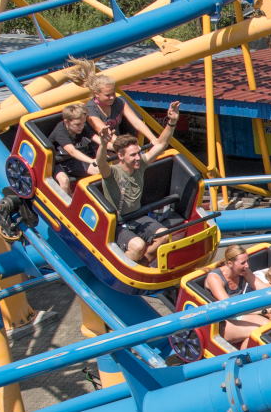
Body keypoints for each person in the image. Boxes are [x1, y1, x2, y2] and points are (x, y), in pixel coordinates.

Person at [94, 100, 181, 265]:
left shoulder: (140, 165)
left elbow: (162, 144)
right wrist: (104, 144)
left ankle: (142, 264)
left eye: (138, 153)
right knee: (138, 246)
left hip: (136, 216)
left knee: (164, 236)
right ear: (121, 156)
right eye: (133, 155)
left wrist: (172, 122)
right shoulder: (112, 172)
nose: (137, 157)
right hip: (116, 223)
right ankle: (123, 270)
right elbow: (101, 162)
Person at [68, 57, 160, 145]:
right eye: (107, 95)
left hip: (118, 144)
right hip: (100, 146)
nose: (112, 97)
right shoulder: (90, 109)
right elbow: (106, 133)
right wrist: (126, 147)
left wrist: (153, 138)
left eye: (113, 93)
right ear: (96, 94)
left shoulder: (118, 102)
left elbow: (136, 121)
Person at [204, 245, 271, 346]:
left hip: (240, 314)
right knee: (259, 331)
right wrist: (261, 310)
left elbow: (263, 290)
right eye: (243, 263)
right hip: (221, 322)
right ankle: (243, 355)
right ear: (230, 264)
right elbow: (229, 307)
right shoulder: (214, 278)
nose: (247, 265)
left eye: (247, 261)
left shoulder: (243, 271)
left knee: (270, 326)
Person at [48, 104, 99, 195]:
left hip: (71, 160)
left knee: (98, 170)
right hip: (56, 162)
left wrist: (115, 146)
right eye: (78, 124)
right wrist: (91, 161)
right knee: (64, 180)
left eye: (83, 123)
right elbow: (72, 151)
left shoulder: (81, 126)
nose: (82, 127)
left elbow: (97, 139)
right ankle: (65, 202)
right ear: (67, 122)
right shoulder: (60, 132)